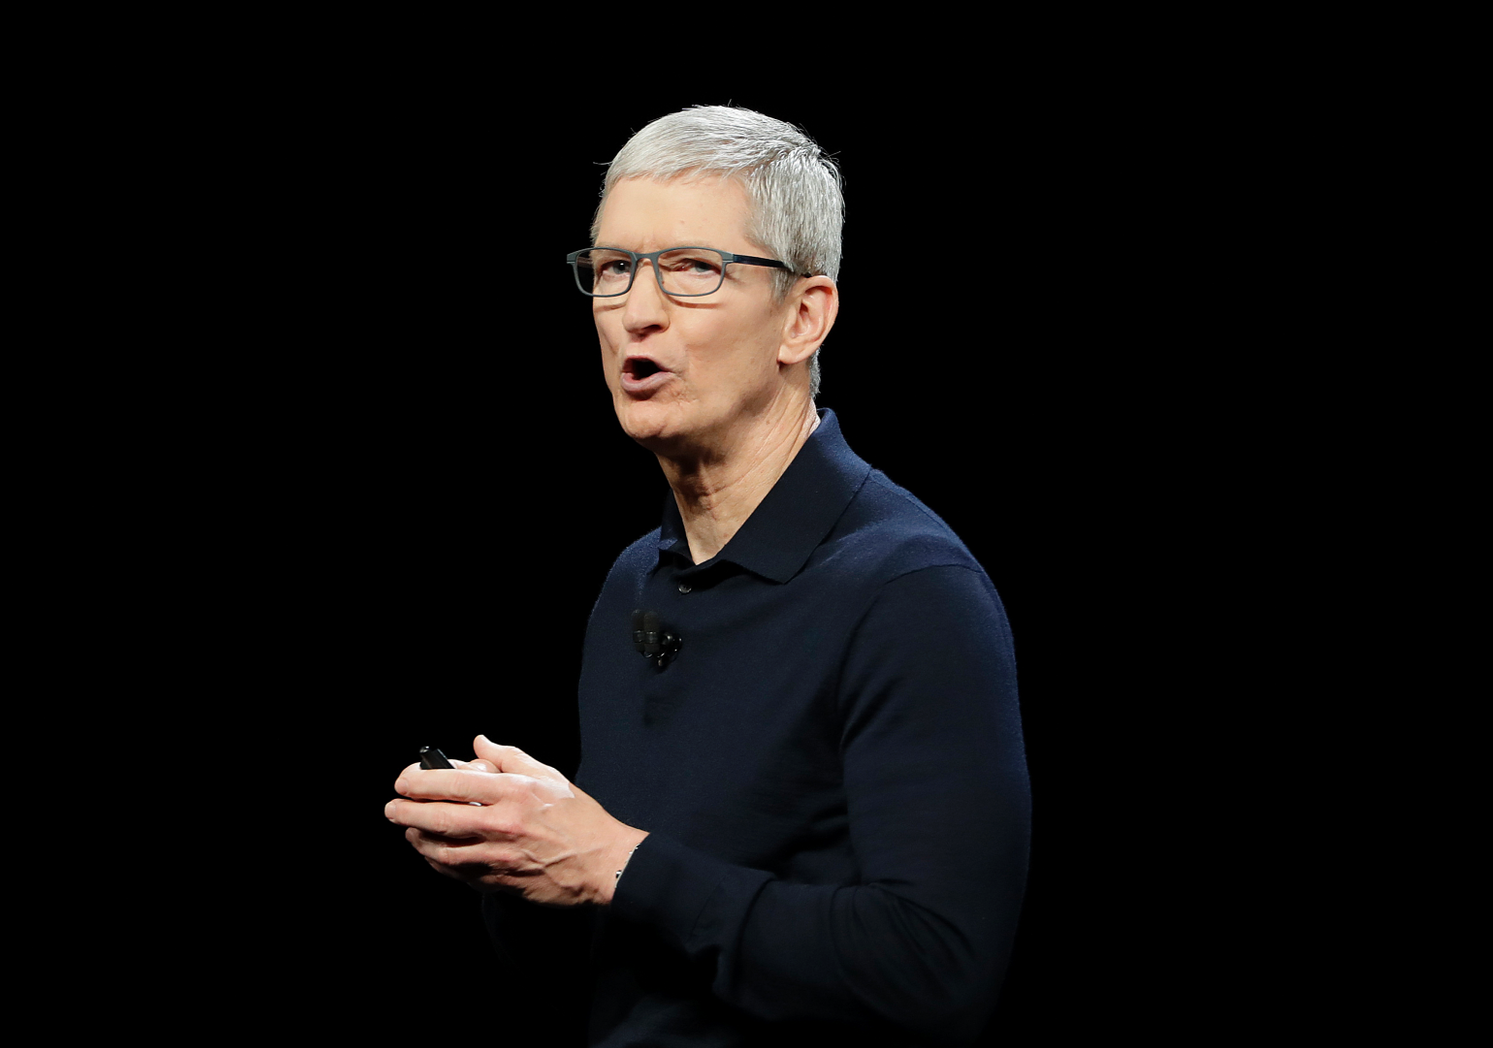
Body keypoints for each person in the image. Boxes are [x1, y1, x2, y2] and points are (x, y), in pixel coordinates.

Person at [385, 105, 1030, 1046]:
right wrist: (524, 863)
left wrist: (613, 862)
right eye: (613, 270)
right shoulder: (633, 583)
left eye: (694, 269)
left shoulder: (911, 590)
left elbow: (936, 970)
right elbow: (610, 978)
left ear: (803, 317)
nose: (637, 311)